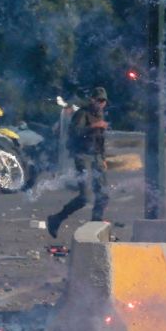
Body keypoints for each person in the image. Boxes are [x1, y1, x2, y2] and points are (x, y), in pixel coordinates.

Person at [46, 87, 110, 238]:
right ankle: (57, 218)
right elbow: (75, 133)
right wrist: (93, 126)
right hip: (83, 156)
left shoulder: (99, 114)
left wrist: (103, 157)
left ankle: (96, 225)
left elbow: (100, 139)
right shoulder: (82, 114)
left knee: (103, 194)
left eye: (103, 101)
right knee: (85, 197)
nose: (101, 104)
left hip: (96, 157)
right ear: (92, 99)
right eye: (98, 100)